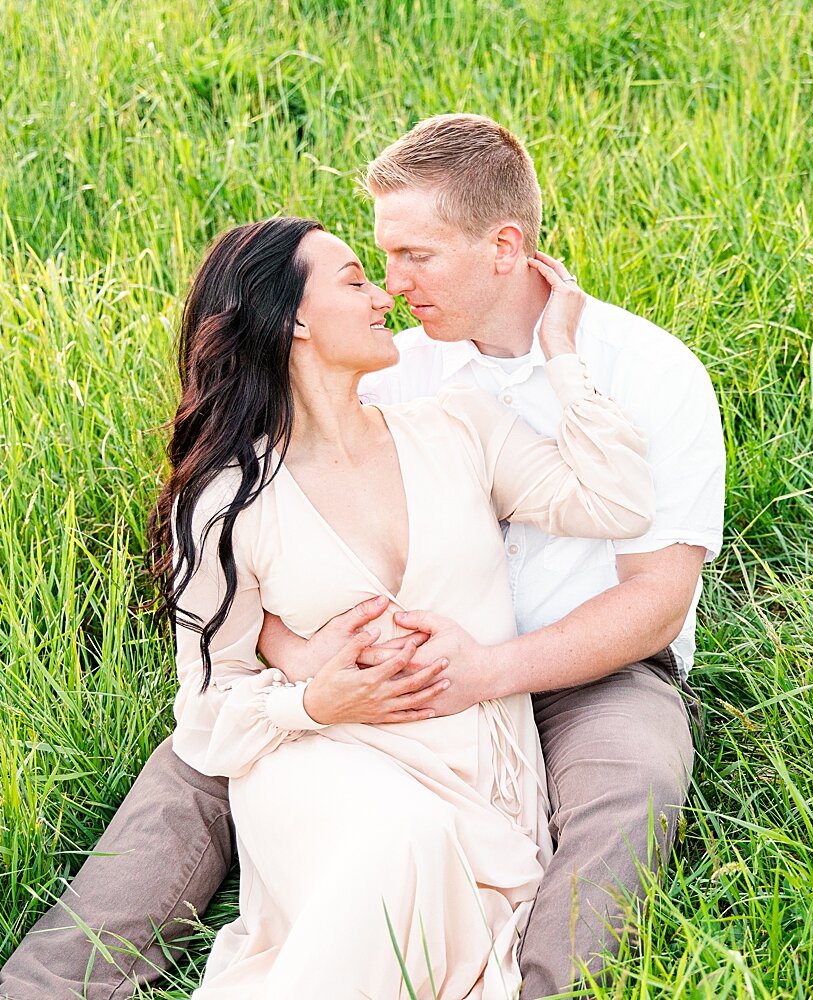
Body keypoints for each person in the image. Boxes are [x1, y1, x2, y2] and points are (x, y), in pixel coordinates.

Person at [0, 114, 725, 999]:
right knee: (197, 769)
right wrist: (304, 664)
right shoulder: (389, 368)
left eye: (415, 256)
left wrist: (491, 671)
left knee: (630, 790)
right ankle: (43, 989)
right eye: (377, 261)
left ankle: (544, 987)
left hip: (588, 666)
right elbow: (267, 543)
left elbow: (654, 600)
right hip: (375, 677)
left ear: (504, 247)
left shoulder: (652, 372)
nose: (391, 284)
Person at [181, 214, 654, 996]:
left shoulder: (457, 427)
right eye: (357, 279)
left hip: (477, 779)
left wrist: (560, 353)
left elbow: (619, 502)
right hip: (321, 766)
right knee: (404, 839)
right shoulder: (228, 500)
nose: (386, 295)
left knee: (425, 839)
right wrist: (314, 702)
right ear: (295, 317)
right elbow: (203, 706)